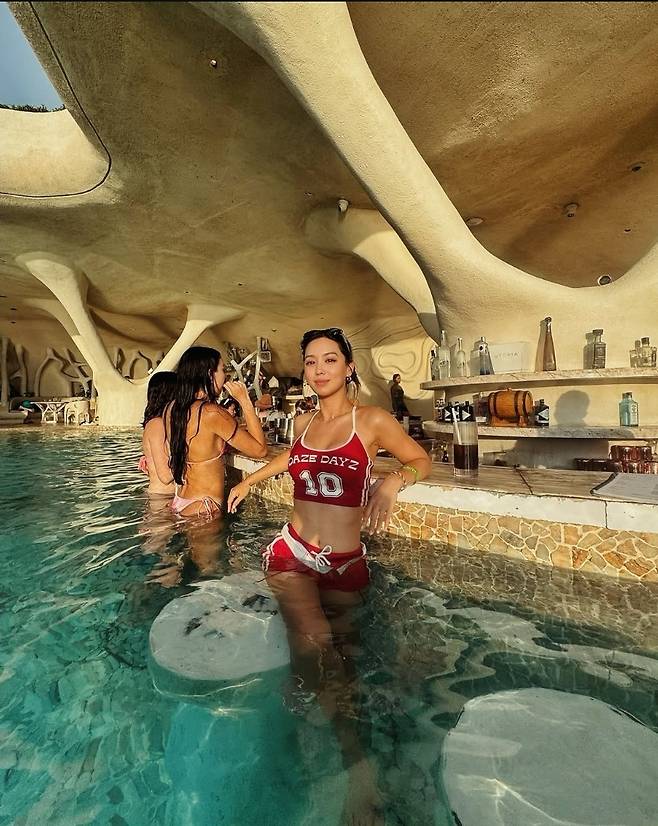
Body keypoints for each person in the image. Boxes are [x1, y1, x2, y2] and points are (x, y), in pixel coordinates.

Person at [228, 327, 430, 825]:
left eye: (330, 360)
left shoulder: (372, 420)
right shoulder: (303, 420)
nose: (319, 370)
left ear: (348, 367)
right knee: (318, 640)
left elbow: (420, 459)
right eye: (311, 361)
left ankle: (309, 698)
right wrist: (251, 479)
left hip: (346, 562)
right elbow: (291, 457)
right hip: (293, 553)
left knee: (345, 657)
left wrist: (392, 481)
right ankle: (359, 772)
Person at [165, 346, 267, 518]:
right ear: (209, 374)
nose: (225, 376)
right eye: (222, 370)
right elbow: (260, 450)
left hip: (181, 500)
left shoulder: (172, 409)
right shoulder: (212, 413)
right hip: (204, 507)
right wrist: (245, 401)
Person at [139, 371, 178, 497]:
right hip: (163, 499)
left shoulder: (160, 423)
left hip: (165, 497)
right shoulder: (157, 425)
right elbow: (165, 476)